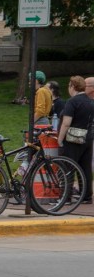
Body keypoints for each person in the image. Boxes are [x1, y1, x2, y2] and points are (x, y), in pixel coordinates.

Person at [57, 76, 94, 204]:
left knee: (67, 166)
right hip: (87, 138)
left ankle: (65, 197)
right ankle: (86, 196)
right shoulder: (90, 101)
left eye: (69, 85)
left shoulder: (72, 102)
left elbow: (66, 123)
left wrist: (60, 139)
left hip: (72, 139)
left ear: (73, 86)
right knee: (85, 167)